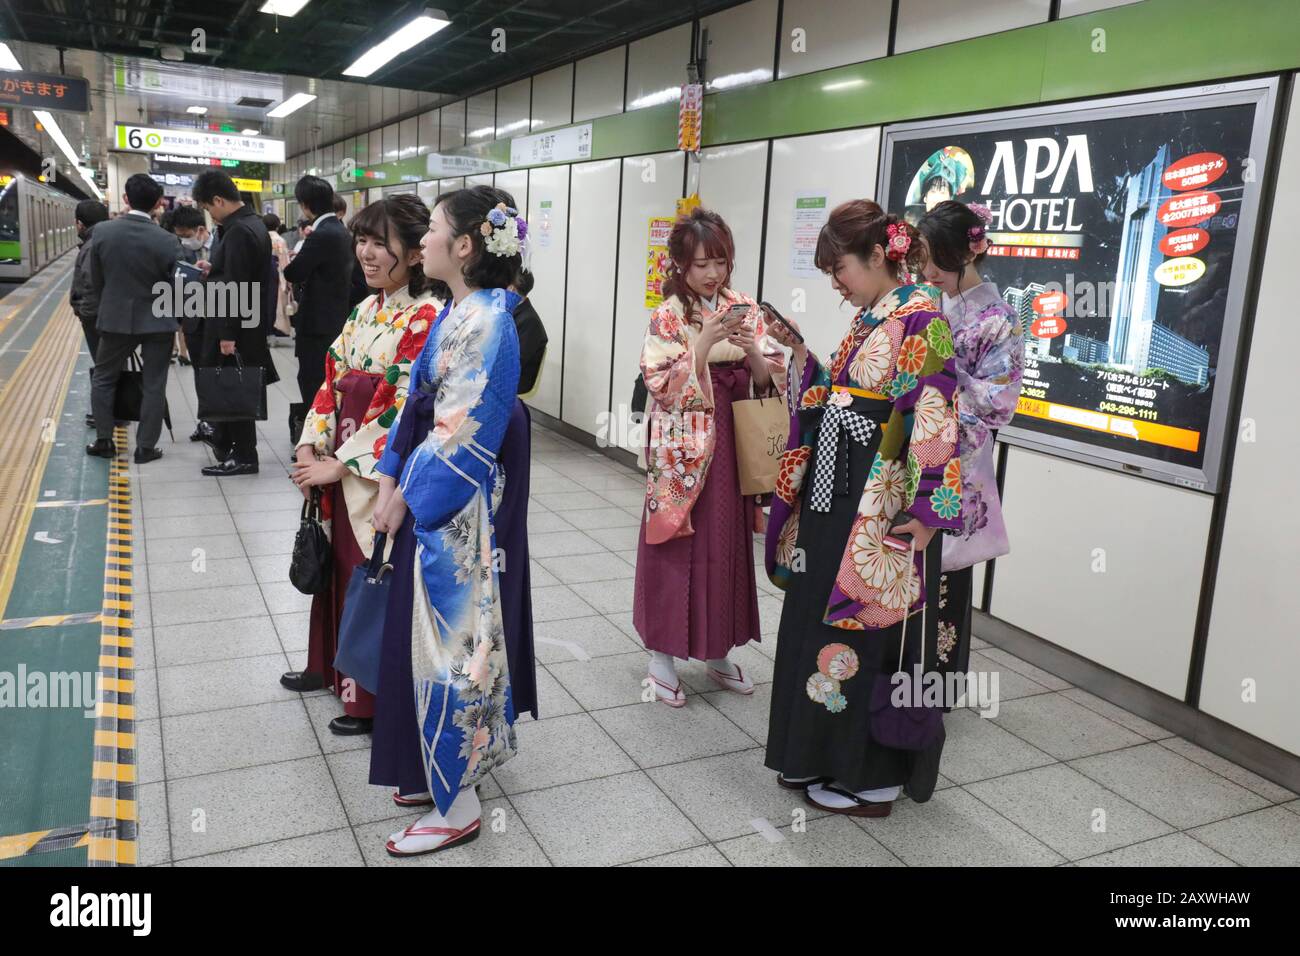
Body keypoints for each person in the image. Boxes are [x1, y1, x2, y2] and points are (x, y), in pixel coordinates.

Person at [763, 199, 963, 818]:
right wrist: (801, 357)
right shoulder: (875, 314)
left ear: (879, 256)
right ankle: (816, 755)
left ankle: (869, 776)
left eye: (839, 268)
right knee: (817, 623)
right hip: (835, 493)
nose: (835, 283)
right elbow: (841, 393)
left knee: (864, 631)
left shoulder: (922, 316)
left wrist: (929, 510)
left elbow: (934, 410)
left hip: (878, 502)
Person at [368, 185, 526, 856]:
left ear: (464, 246)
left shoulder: (487, 322)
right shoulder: (460, 311)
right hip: (440, 488)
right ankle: (440, 767)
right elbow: (421, 403)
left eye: (432, 229)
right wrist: (391, 470)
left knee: (456, 642)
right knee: (441, 637)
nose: (423, 240)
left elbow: (458, 435)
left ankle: (457, 801)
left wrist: (405, 495)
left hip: (458, 504)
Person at [279, 195, 444, 736]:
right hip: (341, 458)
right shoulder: (365, 310)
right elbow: (330, 382)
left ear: (416, 253)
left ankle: (371, 699)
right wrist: (309, 444)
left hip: (377, 472)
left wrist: (343, 465)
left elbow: (403, 403)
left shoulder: (426, 317)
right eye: (363, 241)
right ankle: (335, 671)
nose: (367, 253)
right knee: (342, 568)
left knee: (370, 574)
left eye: (381, 244)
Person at [632, 207, 786, 706]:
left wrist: (754, 353)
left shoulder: (743, 306)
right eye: (700, 264)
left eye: (719, 261)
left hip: (733, 442)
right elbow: (658, 381)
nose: (712, 273)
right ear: (680, 265)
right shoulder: (668, 314)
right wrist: (701, 345)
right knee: (676, 543)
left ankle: (718, 649)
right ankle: (661, 656)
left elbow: (770, 380)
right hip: (683, 450)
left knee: (729, 543)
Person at [917, 200, 1024, 679]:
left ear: (968, 252)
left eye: (935, 259)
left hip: (960, 465)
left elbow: (999, 403)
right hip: (913, 456)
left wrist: (945, 374)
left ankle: (936, 688)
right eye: (923, 257)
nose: (927, 270)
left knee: (945, 581)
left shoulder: (999, 319)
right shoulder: (925, 304)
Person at [82, 174, 182, 464]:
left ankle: (104, 441)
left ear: (126, 199)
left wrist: (109, 305)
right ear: (157, 204)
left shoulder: (101, 232)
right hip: (158, 323)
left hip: (114, 320)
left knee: (103, 378)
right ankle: (145, 448)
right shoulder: (167, 239)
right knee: (154, 383)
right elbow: (173, 285)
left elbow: (95, 279)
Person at [191, 170, 276, 477]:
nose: (210, 214)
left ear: (218, 200)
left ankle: (243, 457)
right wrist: (213, 268)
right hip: (247, 323)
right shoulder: (251, 224)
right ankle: (239, 452)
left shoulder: (239, 230)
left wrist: (227, 334)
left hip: (235, 326)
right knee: (236, 389)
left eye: (208, 207)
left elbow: (237, 286)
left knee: (234, 391)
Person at [493, 266, 547, 720]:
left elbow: (516, 383)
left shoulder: (524, 324)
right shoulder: (488, 313)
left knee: (499, 547)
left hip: (500, 422)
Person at [283, 175, 357, 405]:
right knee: (329, 378)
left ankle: (314, 435)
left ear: (305, 205)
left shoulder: (321, 234)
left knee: (312, 379)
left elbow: (293, 273)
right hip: (336, 317)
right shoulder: (341, 231)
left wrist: (289, 261)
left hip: (317, 323)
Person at [69, 199, 110, 428]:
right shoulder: (105, 240)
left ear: (80, 224)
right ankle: (112, 411)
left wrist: (85, 314)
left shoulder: (91, 245)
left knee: (104, 369)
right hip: (106, 314)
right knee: (109, 366)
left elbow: (89, 286)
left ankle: (106, 416)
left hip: (96, 318)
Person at [263, 213, 292, 345]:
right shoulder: (279, 240)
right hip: (275, 271)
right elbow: (284, 260)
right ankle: (271, 334)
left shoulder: (259, 237)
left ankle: (264, 333)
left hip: (261, 271)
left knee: (263, 302)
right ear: (277, 225)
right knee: (274, 303)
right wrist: (287, 281)